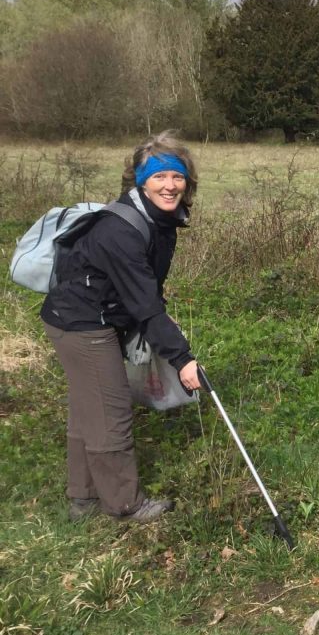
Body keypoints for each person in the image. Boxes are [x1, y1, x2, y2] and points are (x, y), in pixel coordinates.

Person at [41, 132, 202, 524]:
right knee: (110, 413)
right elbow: (144, 304)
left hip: (85, 318)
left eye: (177, 176)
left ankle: (83, 498)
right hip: (83, 324)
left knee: (87, 411)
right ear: (140, 180)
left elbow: (146, 291)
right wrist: (182, 359)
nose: (169, 185)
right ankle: (124, 504)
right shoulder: (122, 230)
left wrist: (160, 322)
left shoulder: (159, 219)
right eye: (159, 176)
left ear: (187, 180)